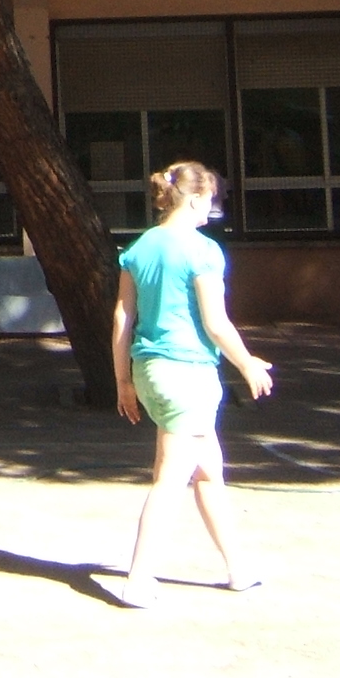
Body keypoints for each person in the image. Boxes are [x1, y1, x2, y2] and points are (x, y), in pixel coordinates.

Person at [111, 161, 273, 608]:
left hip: (151, 371)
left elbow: (123, 317)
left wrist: (123, 379)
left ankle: (237, 568)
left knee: (208, 472)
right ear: (196, 198)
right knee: (171, 477)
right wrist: (248, 364)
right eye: (212, 201)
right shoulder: (202, 251)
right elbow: (216, 323)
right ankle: (139, 579)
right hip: (188, 374)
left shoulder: (139, 248)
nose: (212, 209)